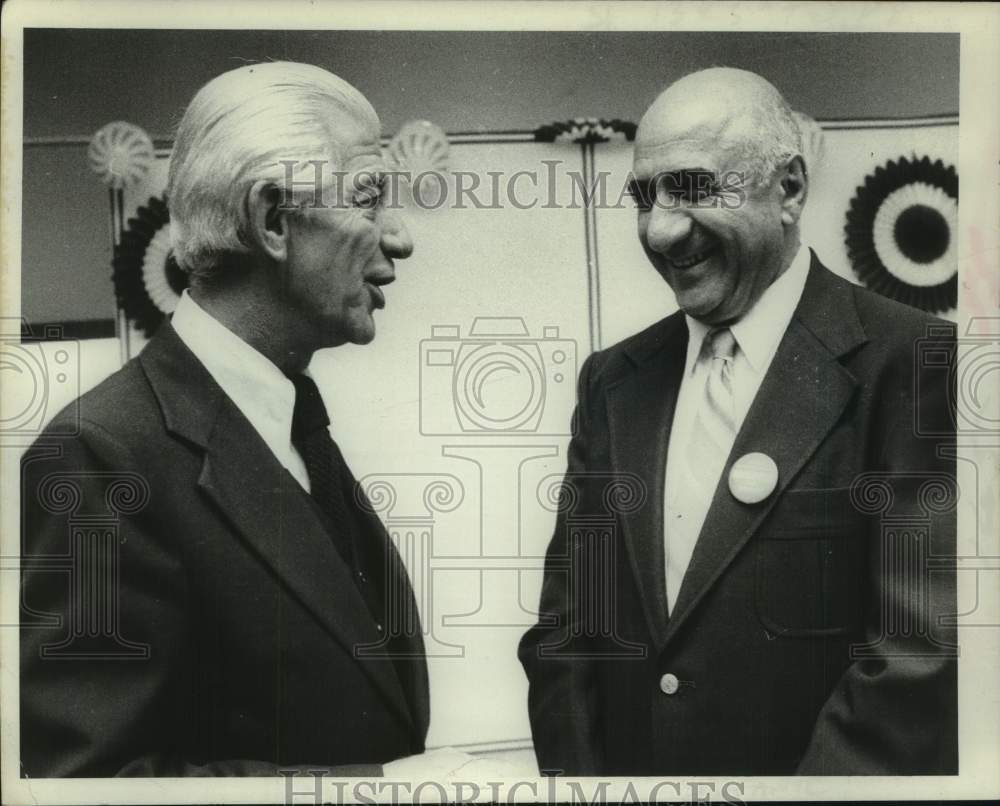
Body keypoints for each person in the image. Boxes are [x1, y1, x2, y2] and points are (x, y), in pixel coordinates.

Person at [519, 67, 958, 776]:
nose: (660, 231)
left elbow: (921, 653)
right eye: (643, 198)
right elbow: (569, 634)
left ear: (788, 188)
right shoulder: (614, 380)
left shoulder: (915, 361)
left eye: (692, 189)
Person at [20, 61, 450, 777]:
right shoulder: (97, 454)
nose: (399, 238)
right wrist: (379, 791)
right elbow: (90, 786)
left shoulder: (286, 418)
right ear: (272, 219)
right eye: (370, 198)